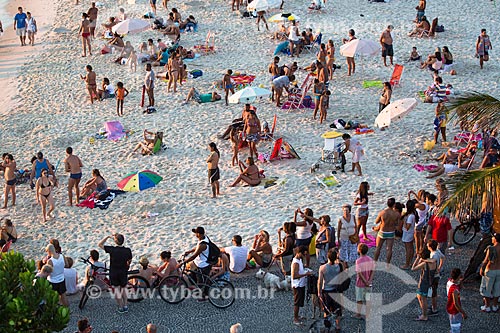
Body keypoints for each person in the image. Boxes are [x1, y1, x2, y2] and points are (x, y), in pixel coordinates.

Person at [98, 233, 133, 313]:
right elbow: (129, 260)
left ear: (116, 241)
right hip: (123, 271)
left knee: (117, 289)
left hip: (114, 272)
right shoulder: (127, 250)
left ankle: (120, 307)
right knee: (124, 288)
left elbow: (100, 244)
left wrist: (107, 237)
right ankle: (125, 305)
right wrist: (127, 266)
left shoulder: (112, 249)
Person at [179, 227, 212, 299]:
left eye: (196, 233)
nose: (195, 235)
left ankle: (205, 296)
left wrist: (182, 263)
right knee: (193, 276)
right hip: (198, 263)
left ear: (199, 234)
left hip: (203, 265)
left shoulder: (203, 245)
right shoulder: (203, 238)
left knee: (201, 283)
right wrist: (189, 251)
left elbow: (194, 256)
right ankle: (199, 286)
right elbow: (197, 248)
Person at [317, 248, 343, 331]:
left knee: (326, 310)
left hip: (326, 291)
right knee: (337, 309)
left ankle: (327, 325)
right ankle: (338, 325)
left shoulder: (322, 268)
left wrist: (319, 292)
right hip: (336, 290)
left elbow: (320, 282)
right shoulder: (339, 266)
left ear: (327, 257)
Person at [373, 198, 400, 267]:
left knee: (378, 247)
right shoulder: (396, 214)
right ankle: (387, 264)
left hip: (382, 231)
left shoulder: (382, 212)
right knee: (389, 249)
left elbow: (376, 221)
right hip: (391, 232)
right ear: (394, 205)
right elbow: (398, 224)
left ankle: (375, 263)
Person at [412, 247, 437, 321]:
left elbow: (413, 268)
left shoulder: (424, 264)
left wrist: (417, 259)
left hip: (423, 283)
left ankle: (424, 315)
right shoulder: (434, 261)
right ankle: (424, 312)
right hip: (430, 282)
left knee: (423, 299)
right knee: (420, 297)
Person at [291, 246, 313, 326]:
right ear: (300, 253)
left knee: (300, 301)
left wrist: (305, 269)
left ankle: (297, 316)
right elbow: (294, 276)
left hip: (301, 284)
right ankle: (295, 318)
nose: (305, 255)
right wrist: (306, 274)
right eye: (304, 254)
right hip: (298, 285)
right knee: (297, 302)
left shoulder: (299, 259)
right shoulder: (296, 262)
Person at [479, 233, 500, 312]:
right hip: (499, 270)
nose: (492, 239)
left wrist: (482, 268)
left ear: (495, 239)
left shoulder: (491, 248)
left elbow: (486, 260)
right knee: (497, 289)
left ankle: (487, 306)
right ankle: (495, 306)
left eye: (493, 238)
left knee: (487, 289)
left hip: (490, 270)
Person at [355, 243, 374, 319]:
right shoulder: (370, 259)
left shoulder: (358, 261)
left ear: (359, 250)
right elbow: (373, 271)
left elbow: (359, 273)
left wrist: (365, 281)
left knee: (359, 299)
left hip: (360, 283)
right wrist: (369, 280)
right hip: (369, 283)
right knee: (368, 300)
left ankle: (358, 314)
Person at [427, 239, 445, 316]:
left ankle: (434, 309)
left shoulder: (433, 255)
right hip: (437, 274)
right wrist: (440, 267)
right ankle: (434, 307)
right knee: (434, 291)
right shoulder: (438, 251)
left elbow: (431, 266)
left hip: (433, 275)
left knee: (433, 293)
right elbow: (443, 257)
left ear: (430, 247)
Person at [447, 268, 467, 333]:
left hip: (449, 306)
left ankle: (453, 330)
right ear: (458, 276)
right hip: (454, 309)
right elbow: (456, 303)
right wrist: (463, 313)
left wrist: (460, 280)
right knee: (456, 324)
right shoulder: (455, 290)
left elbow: (460, 286)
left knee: (452, 322)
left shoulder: (449, 282)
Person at [401, 200, 418, 269]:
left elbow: (407, 227)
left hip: (407, 233)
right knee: (411, 248)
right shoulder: (413, 214)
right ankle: (410, 262)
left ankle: (407, 264)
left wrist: (404, 221)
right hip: (410, 233)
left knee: (408, 249)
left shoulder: (410, 216)